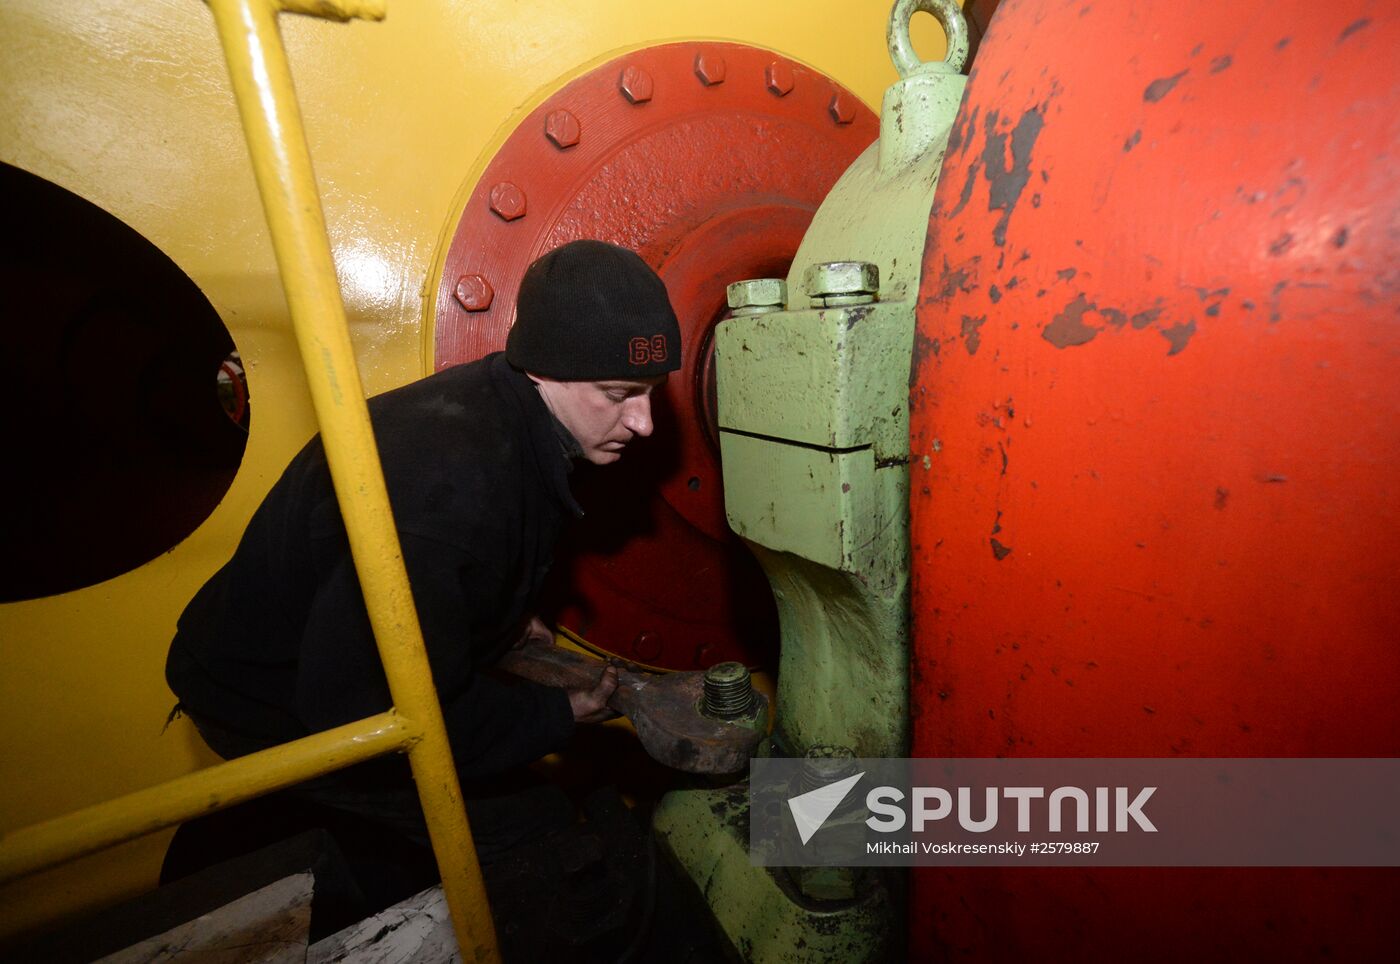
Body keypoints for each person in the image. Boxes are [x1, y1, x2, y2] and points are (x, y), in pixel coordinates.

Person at [165, 239, 681, 854]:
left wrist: (497, 618)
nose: (644, 424)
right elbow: (364, 712)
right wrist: (556, 717)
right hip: (263, 696)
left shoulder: (503, 407)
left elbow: (460, 566)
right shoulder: (448, 493)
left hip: (326, 667)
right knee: (536, 834)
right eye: (620, 395)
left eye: (652, 392)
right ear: (542, 368)